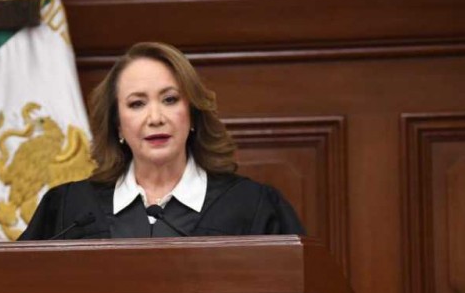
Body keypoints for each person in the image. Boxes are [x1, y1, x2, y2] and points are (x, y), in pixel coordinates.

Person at [18, 41, 304, 240]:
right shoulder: (71, 210)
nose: (155, 118)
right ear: (117, 124)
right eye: (137, 104)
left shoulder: (252, 206)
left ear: (192, 113)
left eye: (170, 99)